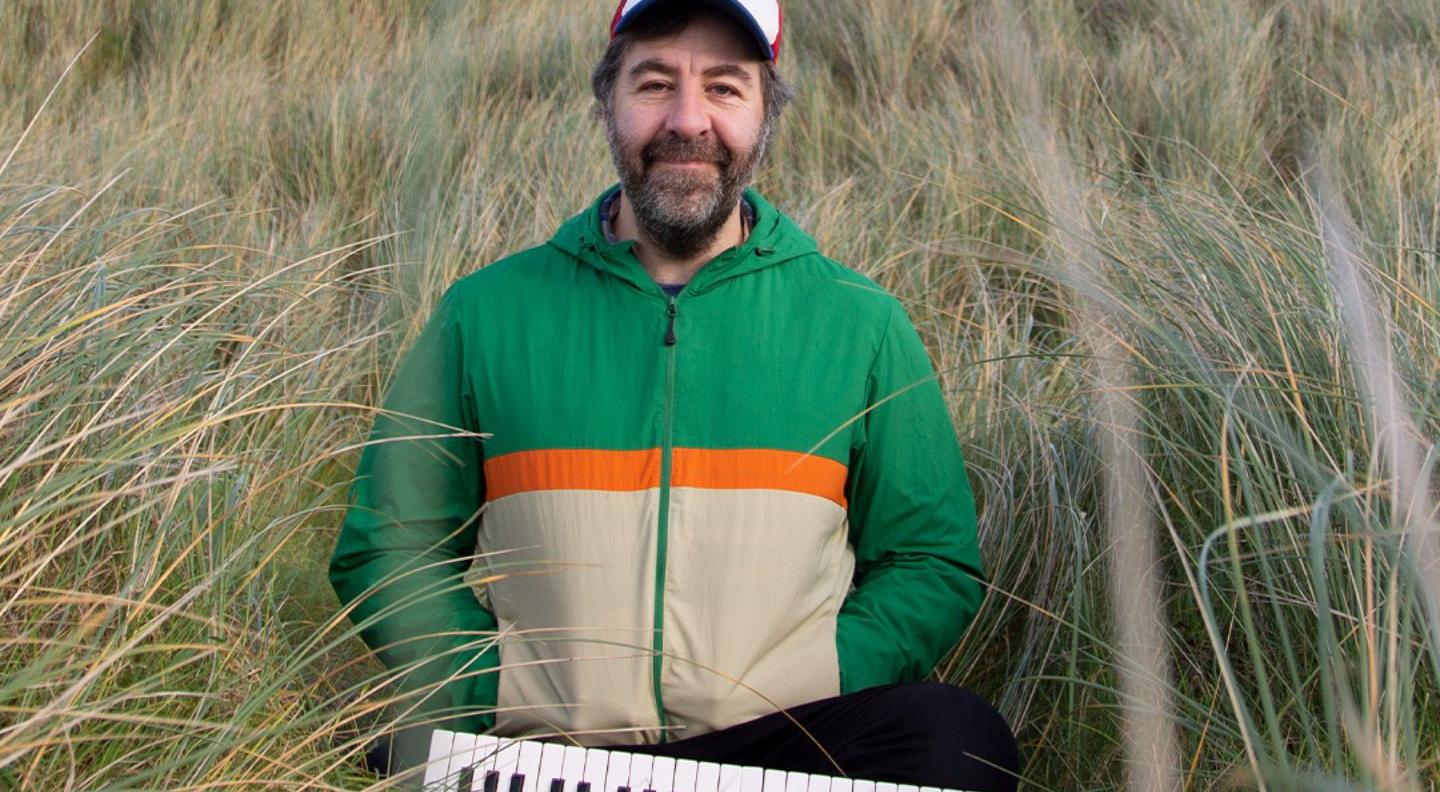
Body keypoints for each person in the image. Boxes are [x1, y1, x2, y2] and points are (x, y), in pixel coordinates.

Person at [328, 1, 1019, 789]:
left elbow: (930, 561)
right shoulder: (483, 314)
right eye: (655, 83)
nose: (688, 120)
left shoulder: (860, 323)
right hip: (550, 753)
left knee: (958, 738)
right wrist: (489, 688)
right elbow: (386, 547)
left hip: (774, 747)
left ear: (766, 114)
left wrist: (826, 671)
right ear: (607, 103)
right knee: (394, 755)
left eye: (725, 88)